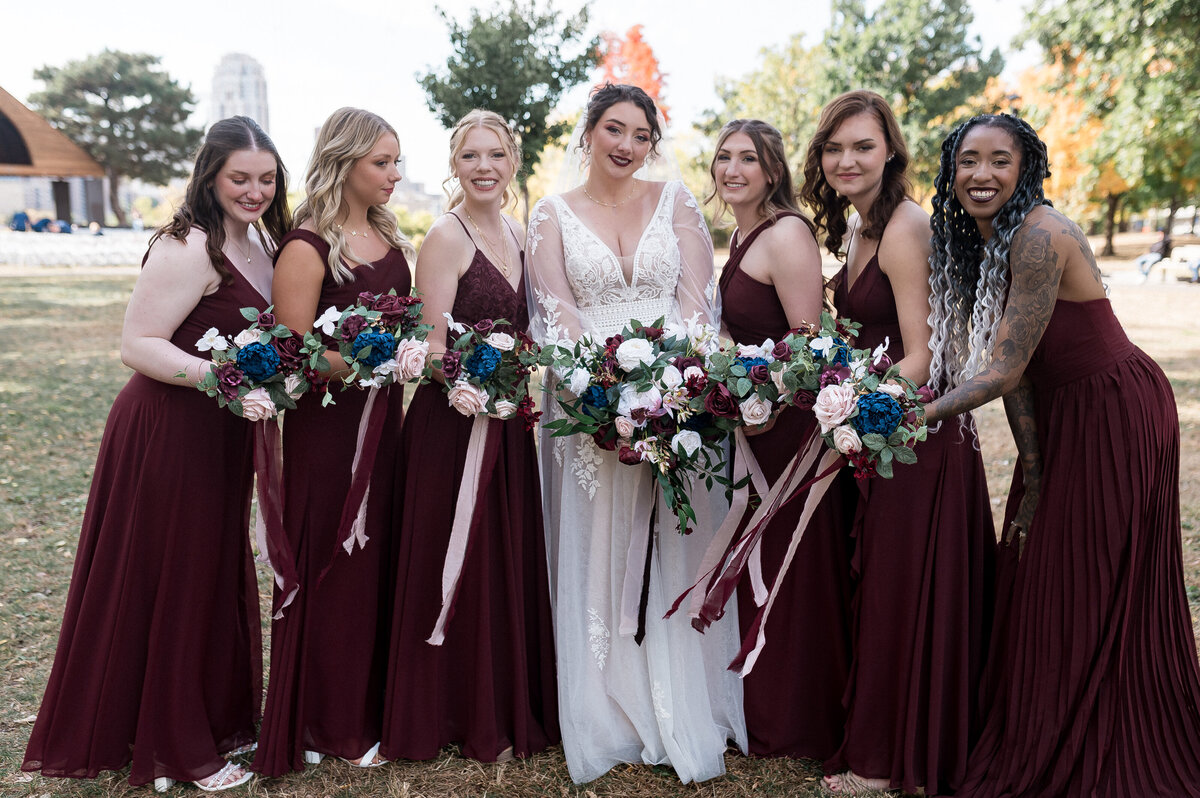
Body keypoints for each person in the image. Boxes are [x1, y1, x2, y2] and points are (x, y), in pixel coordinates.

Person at [924, 112, 1200, 797]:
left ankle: (1099, 742)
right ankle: (1048, 729)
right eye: (967, 161)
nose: (980, 175)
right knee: (1036, 557)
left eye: (998, 161)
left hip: (1114, 415)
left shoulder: (1041, 234)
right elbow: (1026, 379)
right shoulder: (990, 239)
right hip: (1062, 414)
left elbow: (1004, 372)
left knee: (1089, 581)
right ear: (950, 172)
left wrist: (913, 415)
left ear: (1026, 169)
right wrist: (1036, 473)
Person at [21, 116, 290, 792]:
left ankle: (201, 716)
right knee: (175, 574)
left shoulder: (257, 240)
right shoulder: (190, 243)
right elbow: (137, 343)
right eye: (240, 178)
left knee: (203, 570)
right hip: (168, 427)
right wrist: (223, 378)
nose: (254, 191)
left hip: (223, 433)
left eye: (266, 178)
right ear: (211, 176)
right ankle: (179, 746)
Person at [526, 83, 747, 785]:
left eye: (640, 134)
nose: (626, 145)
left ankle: (686, 697)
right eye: (613, 129)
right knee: (599, 545)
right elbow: (554, 309)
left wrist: (670, 389)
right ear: (588, 133)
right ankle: (610, 710)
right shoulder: (550, 213)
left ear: (653, 142)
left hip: (677, 402)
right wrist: (601, 389)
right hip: (590, 402)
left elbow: (698, 304)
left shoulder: (676, 200)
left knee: (677, 542)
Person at [799, 90, 995, 796]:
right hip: (880, 433)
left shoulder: (908, 227)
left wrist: (850, 407)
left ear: (891, 153)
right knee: (877, 587)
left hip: (920, 440)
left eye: (862, 146)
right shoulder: (858, 230)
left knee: (896, 593)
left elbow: (924, 356)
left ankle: (882, 762)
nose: (846, 160)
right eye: (834, 148)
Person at [380, 109, 559, 763]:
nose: (484, 167)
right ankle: (450, 707)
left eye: (495, 155)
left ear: (513, 161)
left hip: (506, 424)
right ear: (453, 165)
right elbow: (427, 348)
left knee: (498, 558)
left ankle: (503, 699)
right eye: (469, 157)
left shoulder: (517, 230)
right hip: (449, 425)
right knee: (452, 555)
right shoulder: (446, 238)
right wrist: (467, 377)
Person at [253, 107, 413, 776]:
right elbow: (292, 348)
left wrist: (402, 355)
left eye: (397, 162)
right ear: (345, 161)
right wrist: (365, 364)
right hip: (328, 430)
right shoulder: (307, 244)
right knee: (333, 566)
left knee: (376, 564)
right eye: (382, 162)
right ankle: (324, 722)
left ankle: (370, 710)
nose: (394, 175)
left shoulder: (385, 234)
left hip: (386, 423)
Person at [707, 118, 853, 760]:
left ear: (773, 171)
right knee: (763, 566)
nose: (732, 170)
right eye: (723, 158)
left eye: (749, 159)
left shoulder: (787, 232)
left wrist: (760, 396)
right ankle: (762, 706)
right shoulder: (742, 234)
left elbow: (813, 345)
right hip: (754, 425)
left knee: (792, 567)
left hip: (790, 429)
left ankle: (797, 720)